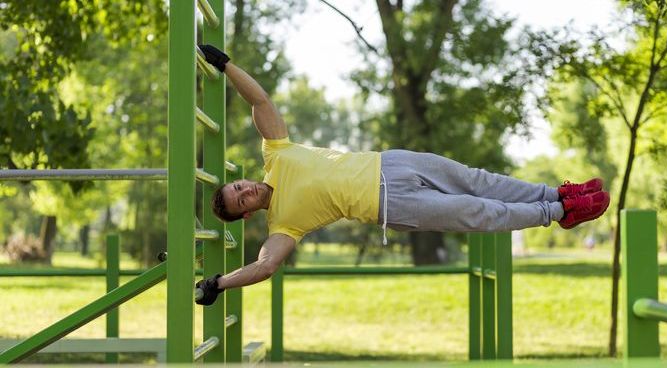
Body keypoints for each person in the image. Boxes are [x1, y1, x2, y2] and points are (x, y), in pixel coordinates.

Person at [194, 45, 610, 306]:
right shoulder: (283, 225)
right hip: (393, 205)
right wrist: (221, 283)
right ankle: (558, 212)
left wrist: (227, 65)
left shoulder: (275, 153)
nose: (245, 190)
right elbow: (265, 267)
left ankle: (560, 193)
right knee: (478, 212)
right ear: (247, 214)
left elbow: (260, 100)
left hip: (393, 162)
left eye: (238, 186)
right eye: (241, 200)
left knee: (479, 180)